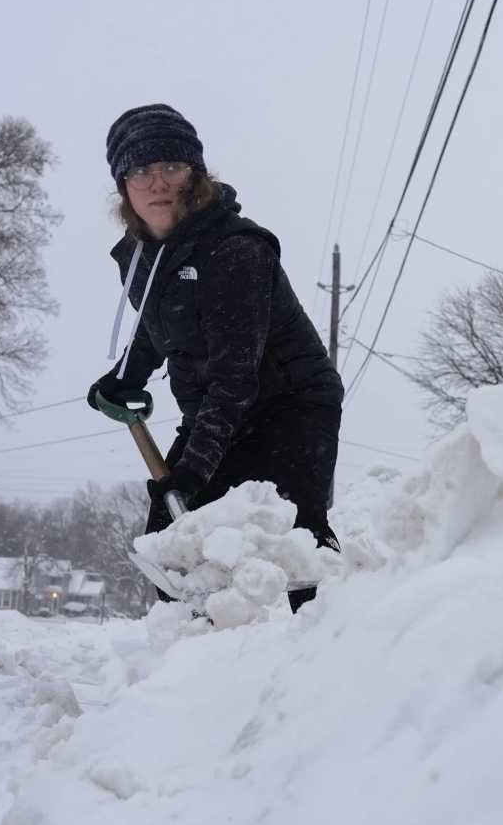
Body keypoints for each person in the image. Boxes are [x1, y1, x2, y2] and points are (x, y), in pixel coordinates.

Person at [87, 104, 344, 610]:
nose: (158, 182)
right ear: (123, 185)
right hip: (217, 408)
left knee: (296, 538)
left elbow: (235, 375)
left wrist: (194, 470)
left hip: (292, 403)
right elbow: (159, 326)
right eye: (141, 170)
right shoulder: (141, 255)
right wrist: (126, 375)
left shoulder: (235, 251)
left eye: (172, 167)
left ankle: (331, 643)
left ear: (195, 175)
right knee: (170, 539)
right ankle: (193, 656)